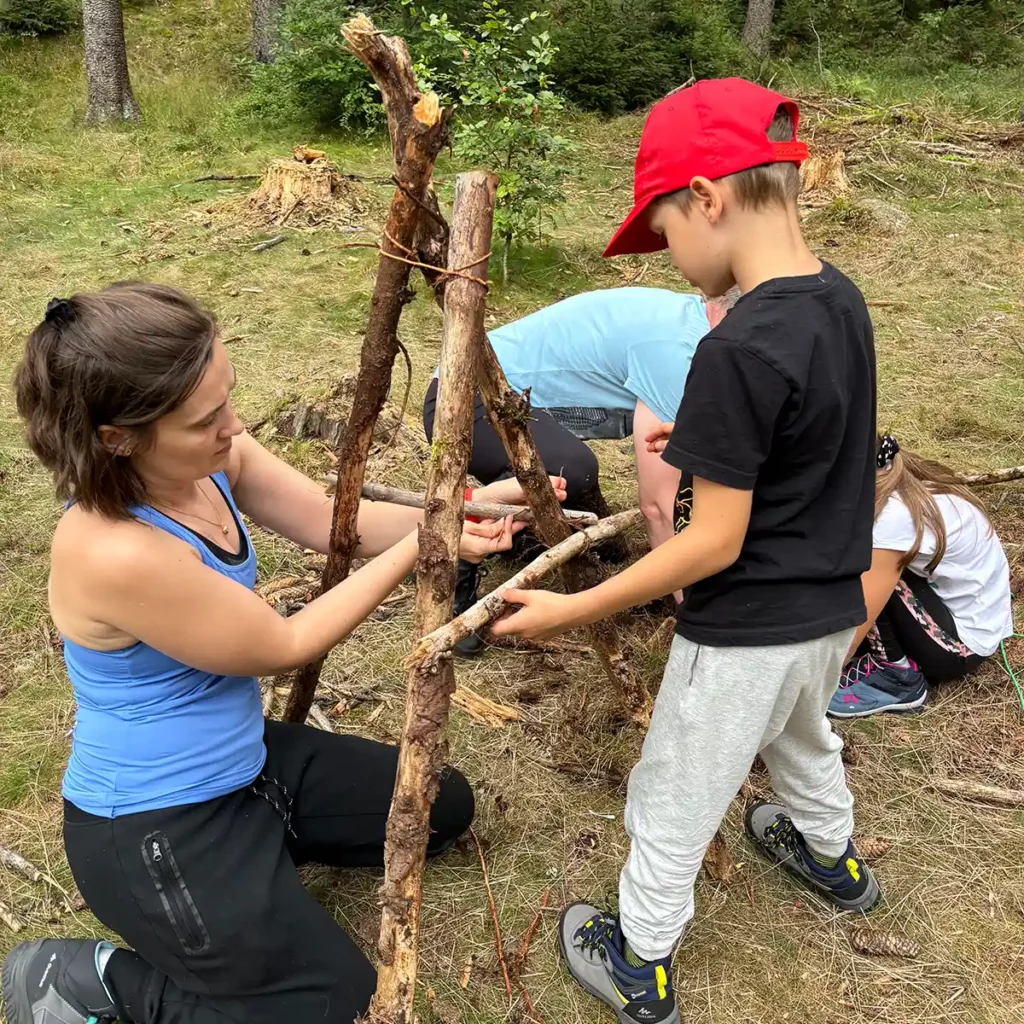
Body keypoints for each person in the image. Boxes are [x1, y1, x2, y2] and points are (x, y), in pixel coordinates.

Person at [1, 282, 563, 1024]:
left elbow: (341, 523)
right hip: (157, 826)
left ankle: (256, 870)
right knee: (335, 1006)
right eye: (207, 420)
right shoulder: (112, 550)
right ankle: (88, 981)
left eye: (228, 398)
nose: (235, 428)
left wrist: (459, 510)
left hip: (249, 766)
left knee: (439, 807)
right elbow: (285, 644)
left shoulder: (209, 457)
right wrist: (429, 545)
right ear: (118, 437)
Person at [492, 78, 880, 1024]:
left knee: (674, 787)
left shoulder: (739, 345)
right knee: (803, 736)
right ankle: (833, 858)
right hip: (829, 609)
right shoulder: (838, 301)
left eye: (663, 227)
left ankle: (639, 959)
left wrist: (573, 606)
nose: (668, 254)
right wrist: (707, 444)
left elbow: (715, 540)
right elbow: (814, 439)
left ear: (706, 197)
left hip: (744, 627)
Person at [423, 287, 732, 655]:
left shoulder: (692, 323)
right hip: (464, 397)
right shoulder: (678, 351)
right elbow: (659, 504)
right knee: (571, 468)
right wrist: (695, 613)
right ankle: (451, 561)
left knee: (576, 480)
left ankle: (537, 533)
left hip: (512, 397)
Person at [828, 435, 1013, 718]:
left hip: (960, 646)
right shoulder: (896, 473)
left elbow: (858, 617)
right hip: (964, 610)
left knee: (857, 565)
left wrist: (816, 677)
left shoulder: (893, 517)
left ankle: (897, 676)